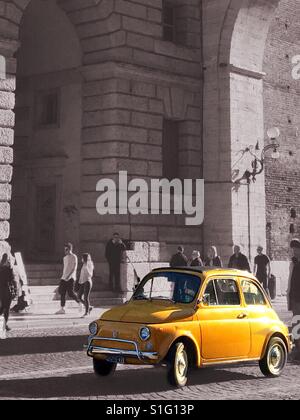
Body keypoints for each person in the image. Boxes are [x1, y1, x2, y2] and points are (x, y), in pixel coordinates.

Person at [56, 243, 80, 315]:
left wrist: (69, 276)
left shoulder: (74, 256)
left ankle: (80, 302)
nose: (65, 251)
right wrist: (63, 277)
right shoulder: (65, 258)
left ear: (70, 249)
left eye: (66, 249)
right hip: (64, 277)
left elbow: (74, 268)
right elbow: (65, 268)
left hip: (71, 278)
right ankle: (62, 308)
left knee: (70, 293)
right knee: (62, 292)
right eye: (64, 250)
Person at [287, 239, 300, 360]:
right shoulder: (293, 263)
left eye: (296, 249)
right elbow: (290, 280)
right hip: (295, 297)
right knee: (296, 323)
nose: (294, 251)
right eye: (293, 249)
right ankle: (297, 347)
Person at [0, 253, 19, 335]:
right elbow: (13, 280)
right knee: (6, 308)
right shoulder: (9, 269)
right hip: (6, 290)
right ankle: (5, 325)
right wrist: (16, 290)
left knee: (2, 307)